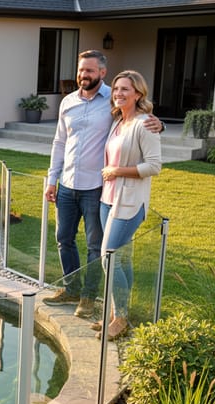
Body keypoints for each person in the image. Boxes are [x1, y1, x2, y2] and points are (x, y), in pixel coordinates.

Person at [43, 50, 163, 318]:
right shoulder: (67, 102)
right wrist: (52, 179)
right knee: (64, 239)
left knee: (96, 246)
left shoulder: (113, 99)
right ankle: (71, 288)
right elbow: (59, 142)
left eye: (90, 70)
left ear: (102, 73)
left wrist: (159, 123)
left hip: (97, 187)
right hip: (67, 184)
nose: (83, 75)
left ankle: (88, 296)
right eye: (81, 70)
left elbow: (137, 115)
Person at [95, 70, 162, 340]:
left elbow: (154, 165)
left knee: (108, 257)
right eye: (116, 89)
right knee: (121, 259)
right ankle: (116, 315)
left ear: (138, 94)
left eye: (125, 89)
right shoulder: (118, 122)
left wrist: (117, 170)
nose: (119, 93)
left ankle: (120, 317)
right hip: (107, 200)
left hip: (130, 203)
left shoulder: (144, 124)